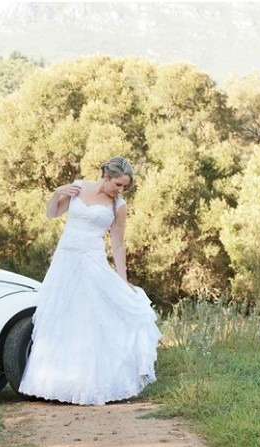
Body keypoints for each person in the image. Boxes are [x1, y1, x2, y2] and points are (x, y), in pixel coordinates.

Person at [19, 157, 161, 405]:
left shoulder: (119, 206)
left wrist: (123, 279)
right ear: (106, 176)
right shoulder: (78, 187)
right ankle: (56, 382)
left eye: (125, 187)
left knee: (88, 317)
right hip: (65, 260)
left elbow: (118, 243)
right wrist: (58, 192)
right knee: (61, 315)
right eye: (118, 184)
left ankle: (90, 384)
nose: (121, 190)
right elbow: (52, 213)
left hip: (92, 261)